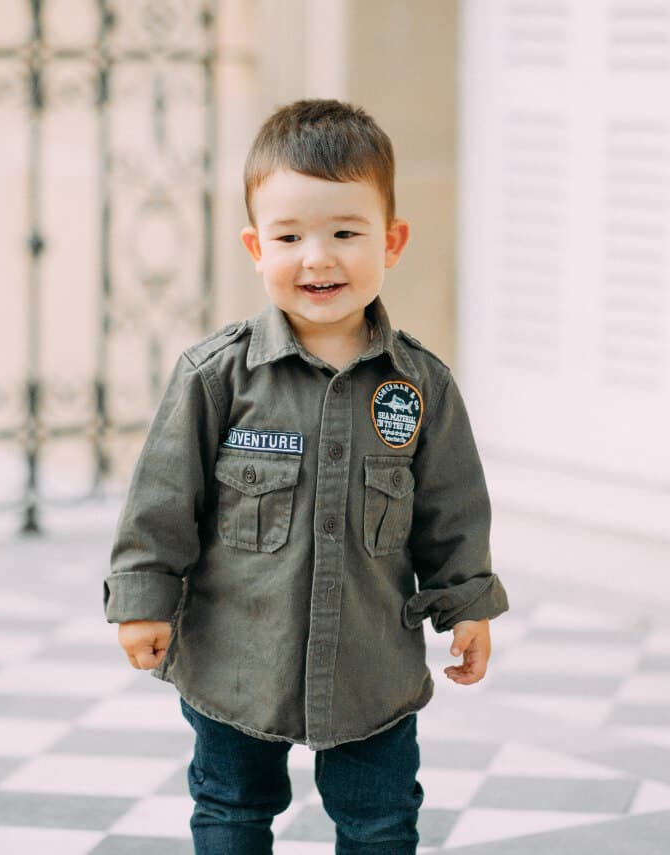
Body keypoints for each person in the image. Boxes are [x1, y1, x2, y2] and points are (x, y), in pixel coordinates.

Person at [103, 98, 508, 855]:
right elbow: (161, 503)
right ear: (256, 247)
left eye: (345, 233)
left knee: (382, 818)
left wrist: (468, 605)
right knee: (230, 807)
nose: (317, 258)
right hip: (236, 661)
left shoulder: (421, 386)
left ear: (392, 240)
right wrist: (142, 600)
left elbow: (452, 511)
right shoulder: (216, 377)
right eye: (290, 236)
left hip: (371, 672)